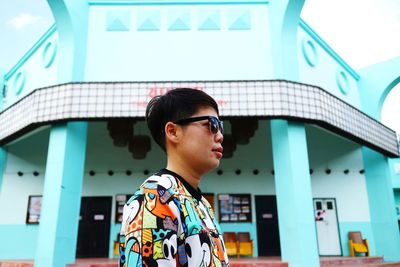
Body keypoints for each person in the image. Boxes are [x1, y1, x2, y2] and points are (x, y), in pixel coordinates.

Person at [119, 88, 229, 267]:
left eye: (220, 126)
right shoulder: (153, 198)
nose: (220, 136)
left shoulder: (202, 203)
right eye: (212, 124)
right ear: (172, 131)